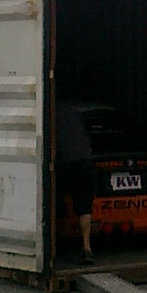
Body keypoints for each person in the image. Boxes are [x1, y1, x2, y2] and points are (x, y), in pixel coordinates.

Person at [55, 102, 96, 264]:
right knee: (84, 207)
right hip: (85, 160)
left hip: (65, 161)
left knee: (54, 201)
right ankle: (87, 248)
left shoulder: (50, 113)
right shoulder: (76, 112)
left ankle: (52, 247)